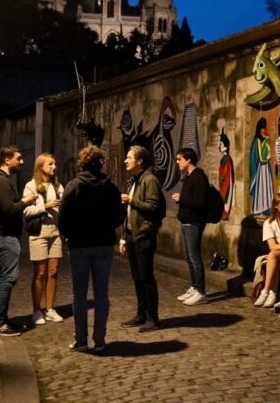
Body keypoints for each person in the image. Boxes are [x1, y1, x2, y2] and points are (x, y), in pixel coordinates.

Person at [59, 145, 125, 353]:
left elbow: (63, 219)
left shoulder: (73, 186)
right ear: (100, 164)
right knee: (101, 294)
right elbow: (119, 215)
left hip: (79, 245)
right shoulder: (110, 188)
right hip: (104, 244)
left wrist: (71, 233)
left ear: (82, 163)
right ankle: (100, 340)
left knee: (79, 294)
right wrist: (106, 228)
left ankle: (81, 340)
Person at [0, 145, 37, 336]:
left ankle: (1, 319)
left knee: (5, 278)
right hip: (5, 236)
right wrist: (25, 202)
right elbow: (8, 210)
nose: (22, 162)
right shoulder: (0, 182)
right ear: (7, 160)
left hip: (7, 236)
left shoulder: (3, 181)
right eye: (19, 158)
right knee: (8, 278)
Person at [119, 145, 166, 332]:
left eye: (129, 157)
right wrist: (123, 237)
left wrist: (132, 200)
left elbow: (153, 207)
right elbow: (128, 213)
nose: (125, 160)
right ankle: (141, 314)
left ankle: (153, 318)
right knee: (137, 277)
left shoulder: (149, 180)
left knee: (146, 277)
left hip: (144, 235)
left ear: (140, 161)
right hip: (132, 235)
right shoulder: (134, 181)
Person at [23, 153, 65, 326]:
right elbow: (25, 211)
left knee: (53, 272)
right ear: (41, 166)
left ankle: (50, 309)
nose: (54, 167)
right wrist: (44, 206)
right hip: (39, 232)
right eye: (50, 164)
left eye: (55, 164)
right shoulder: (31, 186)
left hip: (55, 232)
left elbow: (63, 207)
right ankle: (36, 310)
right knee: (40, 273)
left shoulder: (57, 186)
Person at [171, 147, 210, 306]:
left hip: (194, 223)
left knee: (195, 258)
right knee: (188, 257)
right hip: (186, 223)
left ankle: (200, 291)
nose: (177, 162)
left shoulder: (199, 176)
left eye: (179, 159)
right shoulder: (188, 176)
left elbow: (200, 202)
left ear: (188, 159)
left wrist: (181, 199)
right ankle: (194, 286)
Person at [248, 118, 274, 217]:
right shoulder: (256, 141)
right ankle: (259, 207)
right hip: (259, 169)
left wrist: (267, 140)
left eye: (265, 128)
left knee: (267, 187)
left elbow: (268, 154)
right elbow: (259, 157)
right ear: (259, 129)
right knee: (261, 188)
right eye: (262, 128)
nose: (264, 130)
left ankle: (267, 207)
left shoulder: (266, 140)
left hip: (266, 168)